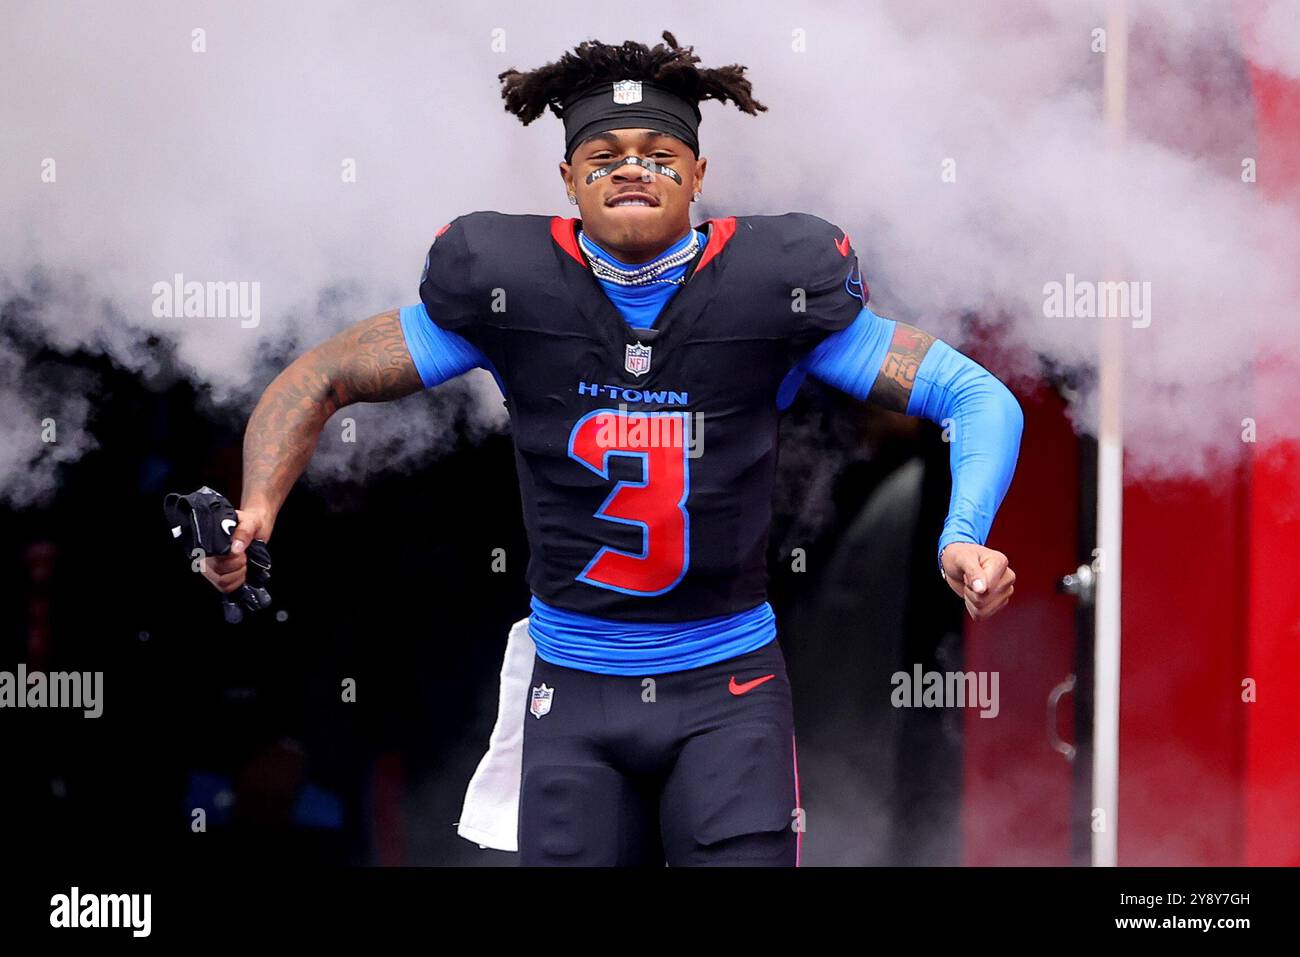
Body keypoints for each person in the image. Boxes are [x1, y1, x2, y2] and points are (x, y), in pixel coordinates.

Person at [202, 31, 1023, 866]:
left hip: (727, 690)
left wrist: (962, 532)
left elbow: (974, 393)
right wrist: (259, 508)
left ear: (700, 174)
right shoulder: (506, 282)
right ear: (566, 179)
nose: (632, 167)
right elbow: (319, 378)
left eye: (660, 152)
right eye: (605, 152)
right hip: (575, 692)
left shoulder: (774, 284)